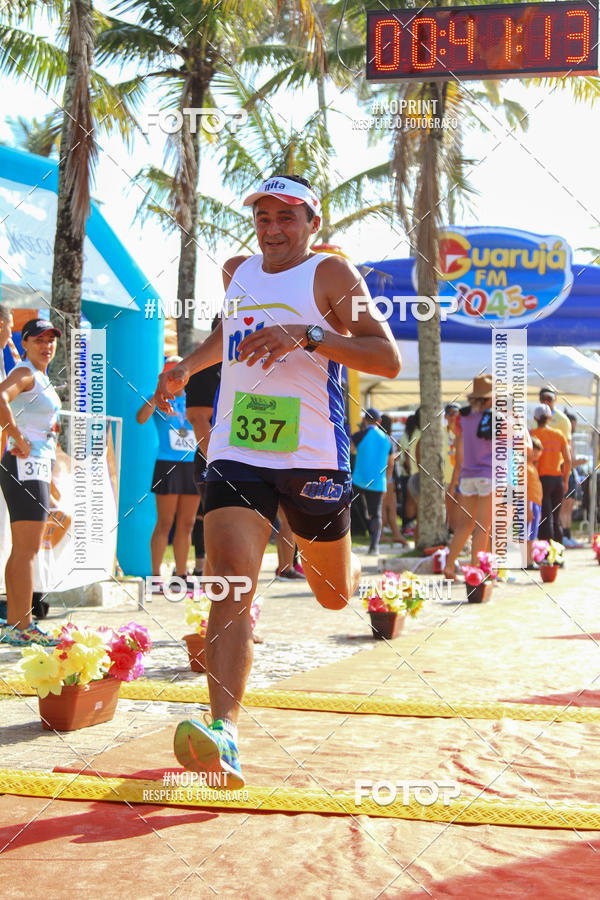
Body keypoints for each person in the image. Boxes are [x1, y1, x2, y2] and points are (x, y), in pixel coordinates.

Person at [155, 174, 401, 787]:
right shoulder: (237, 271)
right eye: (264, 217)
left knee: (333, 595)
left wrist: (310, 335)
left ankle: (350, 568)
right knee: (230, 584)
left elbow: (386, 357)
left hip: (313, 456)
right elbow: (228, 335)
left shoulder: (332, 276)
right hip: (240, 452)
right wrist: (188, 364)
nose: (273, 229)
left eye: (287, 218)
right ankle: (225, 734)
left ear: (312, 223)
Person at [0, 318, 62, 646]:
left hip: (36, 467)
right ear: (24, 343)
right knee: (26, 549)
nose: (46, 345)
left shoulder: (42, 378)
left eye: (51, 339)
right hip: (24, 464)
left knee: (26, 549)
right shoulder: (24, 373)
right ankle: (19, 626)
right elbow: (0, 396)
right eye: (38, 339)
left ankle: (18, 623)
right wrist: (15, 435)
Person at [136, 356, 201, 588]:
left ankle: (181, 575)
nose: (176, 378)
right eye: (170, 373)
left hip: (192, 464)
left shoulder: (195, 397)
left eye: (179, 373)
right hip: (168, 464)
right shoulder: (159, 398)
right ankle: (154, 577)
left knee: (187, 523)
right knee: (165, 523)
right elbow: (140, 418)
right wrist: (156, 397)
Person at [443, 374, 494, 581]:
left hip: (467, 475)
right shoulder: (495, 418)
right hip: (488, 475)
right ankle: (476, 571)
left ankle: (449, 567)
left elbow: (460, 451)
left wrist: (458, 477)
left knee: (466, 525)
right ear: (489, 398)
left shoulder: (462, 418)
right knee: (484, 526)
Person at [184, 316, 222, 577]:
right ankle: (215, 601)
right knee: (220, 529)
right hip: (217, 462)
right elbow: (198, 418)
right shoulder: (204, 366)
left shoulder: (247, 363)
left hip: (254, 460)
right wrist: (219, 461)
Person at [352, 407, 395, 555]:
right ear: (379, 421)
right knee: (376, 514)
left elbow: (349, 451)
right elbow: (391, 463)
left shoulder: (359, 435)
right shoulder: (387, 440)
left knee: (350, 509)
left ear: (364, 420)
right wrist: (387, 480)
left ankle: (348, 540)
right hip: (378, 482)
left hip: (358, 480)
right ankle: (374, 546)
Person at [530, 403, 571, 544]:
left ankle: (546, 552)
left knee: (546, 517)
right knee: (556, 516)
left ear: (535, 417)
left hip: (542, 480)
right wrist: (565, 481)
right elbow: (568, 459)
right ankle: (558, 552)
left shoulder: (532, 435)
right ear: (549, 418)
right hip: (557, 480)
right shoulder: (559, 435)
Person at [560, 413, 586, 548]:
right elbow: (566, 462)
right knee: (564, 508)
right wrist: (579, 462)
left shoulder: (570, 440)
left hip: (571, 476)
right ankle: (563, 535)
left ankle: (567, 535)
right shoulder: (563, 439)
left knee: (569, 508)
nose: (574, 426)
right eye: (573, 424)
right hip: (565, 475)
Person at [380, 413, 406, 546]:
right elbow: (389, 460)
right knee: (389, 506)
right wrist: (397, 455)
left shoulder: (379, 438)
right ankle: (392, 534)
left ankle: (392, 533)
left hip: (380, 476)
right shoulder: (388, 439)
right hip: (388, 477)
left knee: (386, 507)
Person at [398, 410, 420, 535]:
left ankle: (407, 525)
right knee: (413, 500)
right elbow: (407, 454)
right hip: (412, 471)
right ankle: (410, 525)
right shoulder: (417, 434)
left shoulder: (405, 436)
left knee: (408, 499)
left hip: (406, 473)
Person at [526, 437, 543, 568]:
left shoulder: (532, 466)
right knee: (528, 535)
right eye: (534, 450)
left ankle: (529, 559)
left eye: (539, 450)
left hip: (536, 503)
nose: (536, 453)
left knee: (532, 533)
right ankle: (527, 561)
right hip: (530, 503)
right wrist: (527, 509)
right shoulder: (525, 467)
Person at [443, 403, 460, 533]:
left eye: (456, 413)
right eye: (451, 413)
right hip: (444, 477)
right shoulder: (440, 433)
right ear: (445, 416)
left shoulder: (463, 431)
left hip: (461, 478)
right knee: (448, 508)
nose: (454, 416)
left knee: (460, 509)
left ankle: (456, 532)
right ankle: (449, 531)